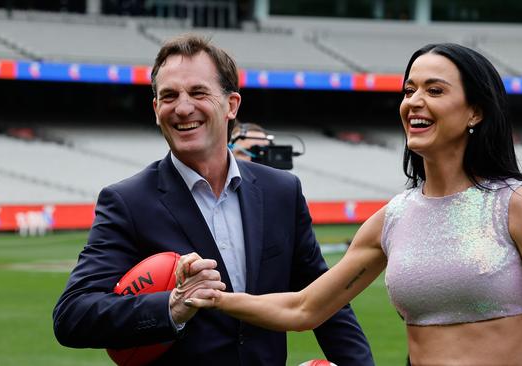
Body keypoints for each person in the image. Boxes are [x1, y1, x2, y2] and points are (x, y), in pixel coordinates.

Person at [177, 43, 522, 365]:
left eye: (435, 90)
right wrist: (215, 299)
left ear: (474, 112)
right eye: (409, 89)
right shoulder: (392, 219)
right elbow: (304, 307)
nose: (414, 101)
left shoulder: (515, 205)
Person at [52, 34, 374, 366]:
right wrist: (170, 307)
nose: (183, 108)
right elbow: (73, 315)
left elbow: (328, 303)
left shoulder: (282, 192)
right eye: (169, 96)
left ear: (232, 104)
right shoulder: (128, 202)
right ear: (155, 109)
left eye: (198, 92)